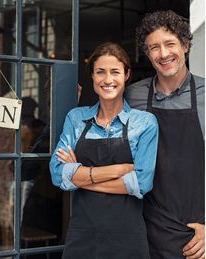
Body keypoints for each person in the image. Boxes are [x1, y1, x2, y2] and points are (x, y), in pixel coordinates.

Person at [49, 42, 159, 258]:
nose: (108, 80)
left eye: (115, 72)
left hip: (127, 239)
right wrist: (120, 170)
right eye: (100, 72)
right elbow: (56, 174)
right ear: (92, 76)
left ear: (127, 74)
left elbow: (142, 183)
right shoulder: (76, 118)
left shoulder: (145, 123)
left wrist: (81, 177)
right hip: (82, 237)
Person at [124, 10, 205, 259]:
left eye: (170, 44)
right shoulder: (132, 96)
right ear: (147, 54)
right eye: (154, 48)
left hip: (194, 234)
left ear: (185, 45)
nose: (163, 54)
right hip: (141, 227)